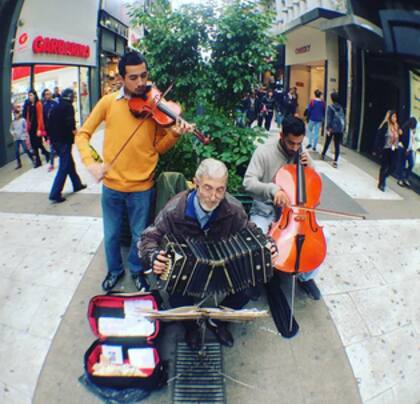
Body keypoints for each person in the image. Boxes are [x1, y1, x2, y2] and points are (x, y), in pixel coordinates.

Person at [75, 51, 191, 292]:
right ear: (121, 79)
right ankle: (114, 271)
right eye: (133, 78)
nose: (141, 83)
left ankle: (137, 271)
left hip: (142, 188)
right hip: (112, 187)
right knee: (111, 236)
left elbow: (158, 148)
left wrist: (173, 135)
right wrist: (92, 162)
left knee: (140, 236)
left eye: (144, 76)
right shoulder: (108, 103)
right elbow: (83, 134)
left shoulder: (155, 106)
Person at [139, 158, 275, 349]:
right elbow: (149, 236)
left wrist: (267, 244)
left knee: (251, 286)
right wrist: (153, 256)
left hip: (223, 268)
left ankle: (218, 320)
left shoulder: (233, 209)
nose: (213, 196)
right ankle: (191, 326)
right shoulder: (175, 209)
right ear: (196, 183)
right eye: (208, 188)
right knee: (176, 295)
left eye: (220, 189)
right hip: (187, 268)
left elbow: (249, 229)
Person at [243, 115, 321, 300]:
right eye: (290, 143)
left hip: (294, 215)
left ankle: (305, 277)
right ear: (281, 135)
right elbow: (248, 182)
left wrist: (310, 168)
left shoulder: (302, 155)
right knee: (256, 240)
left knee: (321, 240)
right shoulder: (264, 152)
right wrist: (272, 189)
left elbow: (314, 184)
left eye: (298, 143)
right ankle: (255, 280)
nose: (294, 148)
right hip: (265, 210)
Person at [48, 88, 86, 203]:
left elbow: (49, 123)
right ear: (69, 96)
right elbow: (70, 123)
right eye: (73, 96)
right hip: (64, 140)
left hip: (55, 141)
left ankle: (77, 184)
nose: (74, 98)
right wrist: (74, 131)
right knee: (64, 166)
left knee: (69, 163)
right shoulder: (68, 107)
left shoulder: (56, 106)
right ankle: (55, 193)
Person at [25, 89, 50, 167]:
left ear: (35, 95)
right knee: (33, 144)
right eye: (29, 95)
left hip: (37, 127)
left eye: (31, 95)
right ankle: (38, 161)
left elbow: (40, 117)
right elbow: (27, 116)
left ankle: (46, 153)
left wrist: (39, 128)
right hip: (31, 128)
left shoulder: (38, 104)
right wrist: (27, 126)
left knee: (38, 143)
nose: (30, 97)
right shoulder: (29, 105)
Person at [377, 110, 402, 191]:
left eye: (396, 117)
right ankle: (381, 183)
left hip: (394, 149)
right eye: (393, 116)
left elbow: (398, 137)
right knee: (384, 167)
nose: (395, 118)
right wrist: (378, 148)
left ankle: (383, 177)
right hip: (386, 148)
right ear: (390, 117)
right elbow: (380, 136)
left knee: (393, 167)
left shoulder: (397, 126)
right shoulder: (386, 125)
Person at [321, 92, 345, 167]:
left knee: (327, 142)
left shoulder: (330, 107)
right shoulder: (341, 107)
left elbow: (329, 119)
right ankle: (335, 161)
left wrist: (328, 127)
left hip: (331, 128)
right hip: (339, 129)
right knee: (337, 144)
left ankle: (323, 154)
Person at [396, 117, 418, 187]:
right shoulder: (404, 129)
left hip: (409, 149)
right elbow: (402, 140)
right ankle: (400, 179)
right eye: (414, 125)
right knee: (402, 164)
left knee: (411, 164)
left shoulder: (413, 130)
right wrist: (406, 149)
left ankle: (406, 178)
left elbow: (412, 140)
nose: (414, 127)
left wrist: (414, 135)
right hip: (403, 148)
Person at [42, 88, 58, 172]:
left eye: (49, 93)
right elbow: (43, 119)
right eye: (46, 94)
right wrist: (45, 134)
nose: (48, 95)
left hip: (57, 128)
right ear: (44, 96)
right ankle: (51, 164)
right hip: (50, 130)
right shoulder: (44, 106)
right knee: (52, 147)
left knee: (59, 145)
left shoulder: (55, 103)